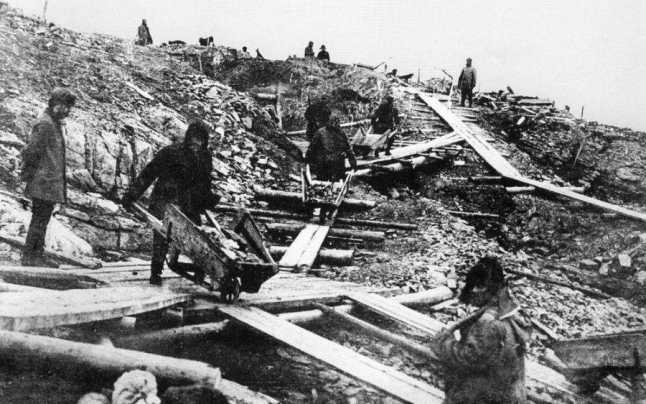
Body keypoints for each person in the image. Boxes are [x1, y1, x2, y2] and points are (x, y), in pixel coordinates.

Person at [121, 120, 220, 285]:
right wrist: (131, 195)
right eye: (194, 138)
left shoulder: (205, 158)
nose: (196, 143)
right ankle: (156, 272)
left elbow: (205, 184)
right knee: (162, 234)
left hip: (189, 203)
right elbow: (148, 174)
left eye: (200, 139)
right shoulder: (171, 152)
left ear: (205, 141)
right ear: (188, 137)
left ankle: (200, 271)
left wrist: (207, 200)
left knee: (198, 237)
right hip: (165, 199)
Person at [431, 256, 529, 404]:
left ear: (481, 288)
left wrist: (443, 343)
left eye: (473, 287)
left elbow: (466, 358)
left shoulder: (488, 324)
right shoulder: (509, 308)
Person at [20, 88, 76, 267]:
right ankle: (30, 257)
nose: (67, 110)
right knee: (39, 219)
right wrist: (28, 178)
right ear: (54, 104)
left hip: (48, 182)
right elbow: (31, 152)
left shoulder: (54, 123)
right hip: (43, 181)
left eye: (69, 107)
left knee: (42, 219)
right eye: (64, 106)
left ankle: (37, 255)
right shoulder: (45, 124)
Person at [305, 114, 357, 182]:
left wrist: (307, 161)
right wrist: (354, 166)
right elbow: (349, 151)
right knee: (336, 184)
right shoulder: (341, 133)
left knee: (323, 184)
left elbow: (311, 150)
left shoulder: (320, 132)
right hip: (334, 166)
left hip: (326, 166)